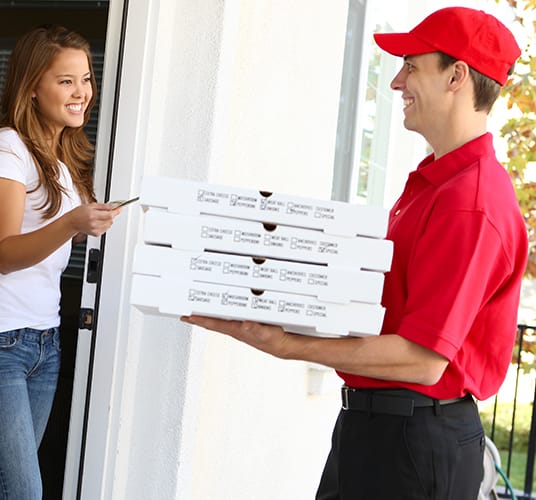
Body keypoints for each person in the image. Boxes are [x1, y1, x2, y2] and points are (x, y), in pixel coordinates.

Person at [182, 6, 528, 499]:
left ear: (457, 76)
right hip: (376, 432)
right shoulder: (434, 184)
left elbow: (423, 360)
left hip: (413, 444)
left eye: (411, 66)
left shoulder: (470, 203)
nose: (395, 82)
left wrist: (286, 345)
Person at [0, 25, 120, 499]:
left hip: (44, 344)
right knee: (21, 492)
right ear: (31, 85)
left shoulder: (61, 160)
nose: (82, 92)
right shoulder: (5, 148)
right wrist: (73, 224)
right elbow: (6, 253)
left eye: (85, 79)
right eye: (66, 80)